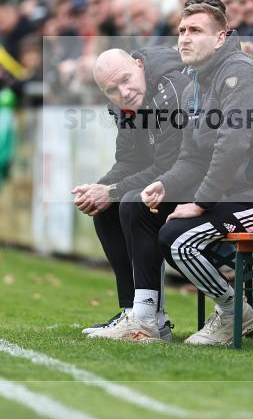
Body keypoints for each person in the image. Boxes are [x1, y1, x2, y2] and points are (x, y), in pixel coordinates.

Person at [134, 0, 253, 345]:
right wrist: (165, 185)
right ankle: (143, 316)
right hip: (237, 198)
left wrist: (199, 203)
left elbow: (233, 145)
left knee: (179, 239)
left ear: (220, 38)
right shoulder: (194, 84)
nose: (184, 37)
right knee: (140, 213)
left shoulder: (240, 72)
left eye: (196, 30)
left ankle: (233, 313)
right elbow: (192, 158)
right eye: (182, 30)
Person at [74, 47, 189, 341]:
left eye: (126, 80)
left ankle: (147, 315)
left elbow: (169, 164)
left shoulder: (171, 89)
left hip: (194, 183)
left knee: (129, 204)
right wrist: (99, 190)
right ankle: (132, 311)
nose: (123, 92)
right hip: (164, 180)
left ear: (139, 65)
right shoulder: (122, 106)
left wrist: (111, 190)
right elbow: (129, 160)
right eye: (112, 89)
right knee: (106, 208)